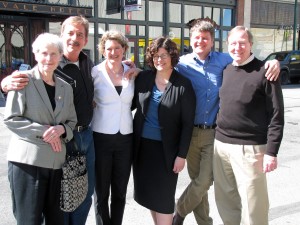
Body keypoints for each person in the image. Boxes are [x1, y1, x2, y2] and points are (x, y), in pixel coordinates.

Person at [172, 18, 280, 225]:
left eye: (205, 38)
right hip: (191, 134)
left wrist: (272, 61)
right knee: (200, 185)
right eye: (197, 38)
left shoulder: (225, 60)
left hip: (215, 133)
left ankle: (180, 210)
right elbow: (162, 71)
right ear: (191, 40)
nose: (200, 42)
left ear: (212, 41)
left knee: (204, 181)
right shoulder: (183, 64)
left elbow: (249, 62)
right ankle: (205, 223)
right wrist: (134, 71)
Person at [1, 15, 95, 225]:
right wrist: (4, 83)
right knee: (32, 216)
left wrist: (62, 129)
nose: (49, 58)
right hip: (33, 158)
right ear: (36, 54)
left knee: (70, 206)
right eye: (44, 53)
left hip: (69, 150)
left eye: (80, 34)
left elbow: (71, 118)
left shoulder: (79, 72)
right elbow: (12, 117)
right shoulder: (24, 79)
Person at [213, 26, 284, 225]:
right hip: (221, 146)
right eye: (233, 43)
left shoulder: (266, 72)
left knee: (254, 207)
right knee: (226, 202)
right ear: (228, 44)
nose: (238, 47)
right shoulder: (226, 69)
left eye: (242, 43)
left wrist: (272, 152)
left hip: (251, 149)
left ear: (251, 44)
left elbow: (276, 114)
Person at [132, 36, 196, 225]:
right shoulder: (143, 78)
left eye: (164, 55)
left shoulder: (183, 85)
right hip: (143, 149)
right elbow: (129, 101)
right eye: (156, 56)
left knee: (164, 199)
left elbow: (187, 124)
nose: (160, 59)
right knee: (150, 196)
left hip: (167, 152)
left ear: (172, 56)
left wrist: (181, 155)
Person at [91, 30, 134, 225]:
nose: (113, 52)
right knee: (101, 191)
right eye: (109, 48)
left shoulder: (131, 71)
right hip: (101, 137)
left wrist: (138, 71)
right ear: (102, 50)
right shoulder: (95, 73)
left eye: (118, 48)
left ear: (124, 49)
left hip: (125, 138)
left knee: (120, 190)